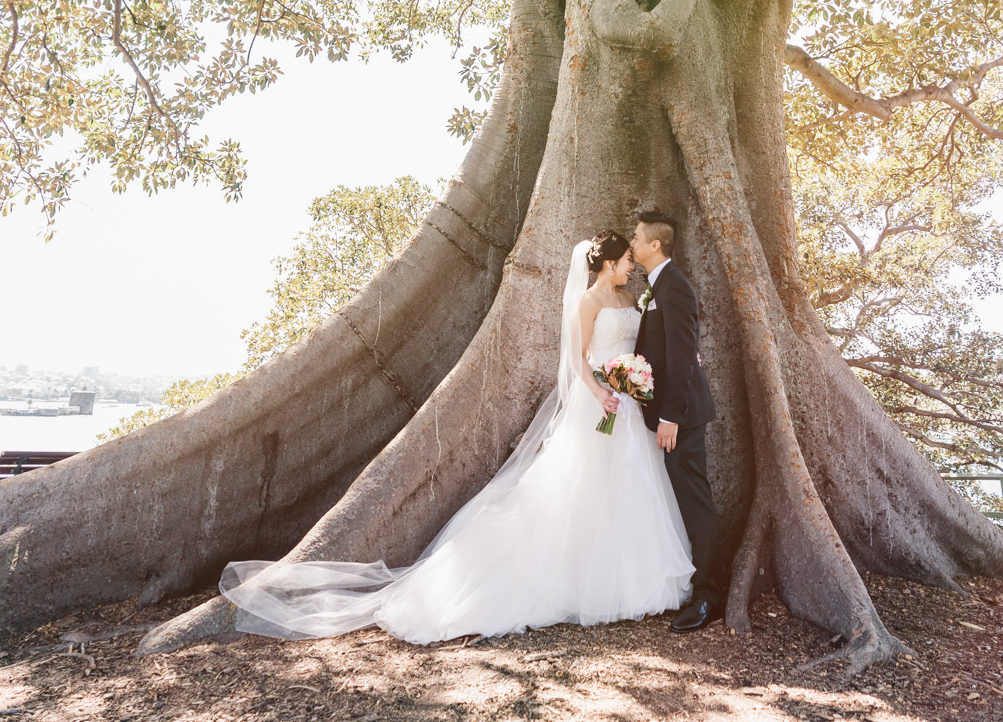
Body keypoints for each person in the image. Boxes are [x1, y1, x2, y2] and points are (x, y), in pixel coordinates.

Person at [218, 231, 693, 643]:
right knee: (584, 491)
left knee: (628, 489)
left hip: (628, 407)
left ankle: (629, 579)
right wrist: (602, 392)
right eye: (627, 260)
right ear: (609, 263)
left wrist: (630, 383)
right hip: (600, 408)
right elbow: (579, 361)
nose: (632, 265)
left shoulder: (631, 300)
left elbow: (636, 347)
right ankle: (582, 580)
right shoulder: (588, 303)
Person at [629, 209, 722, 631]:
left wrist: (670, 416)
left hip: (681, 416)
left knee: (695, 503)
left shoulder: (675, 286)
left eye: (636, 237)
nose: (631, 243)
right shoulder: (656, 285)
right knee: (681, 500)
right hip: (668, 414)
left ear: (655, 245)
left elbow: (685, 355)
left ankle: (708, 597)